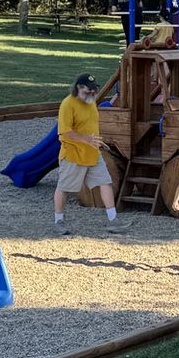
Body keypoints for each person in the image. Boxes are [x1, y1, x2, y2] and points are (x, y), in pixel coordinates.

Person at [54, 72, 122, 235]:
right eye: (89, 89)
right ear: (79, 87)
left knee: (105, 182)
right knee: (64, 188)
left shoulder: (90, 102)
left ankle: (113, 220)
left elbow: (90, 127)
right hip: (73, 155)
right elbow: (64, 133)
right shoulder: (68, 104)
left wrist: (98, 142)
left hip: (92, 153)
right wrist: (86, 140)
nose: (93, 92)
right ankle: (59, 220)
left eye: (94, 89)